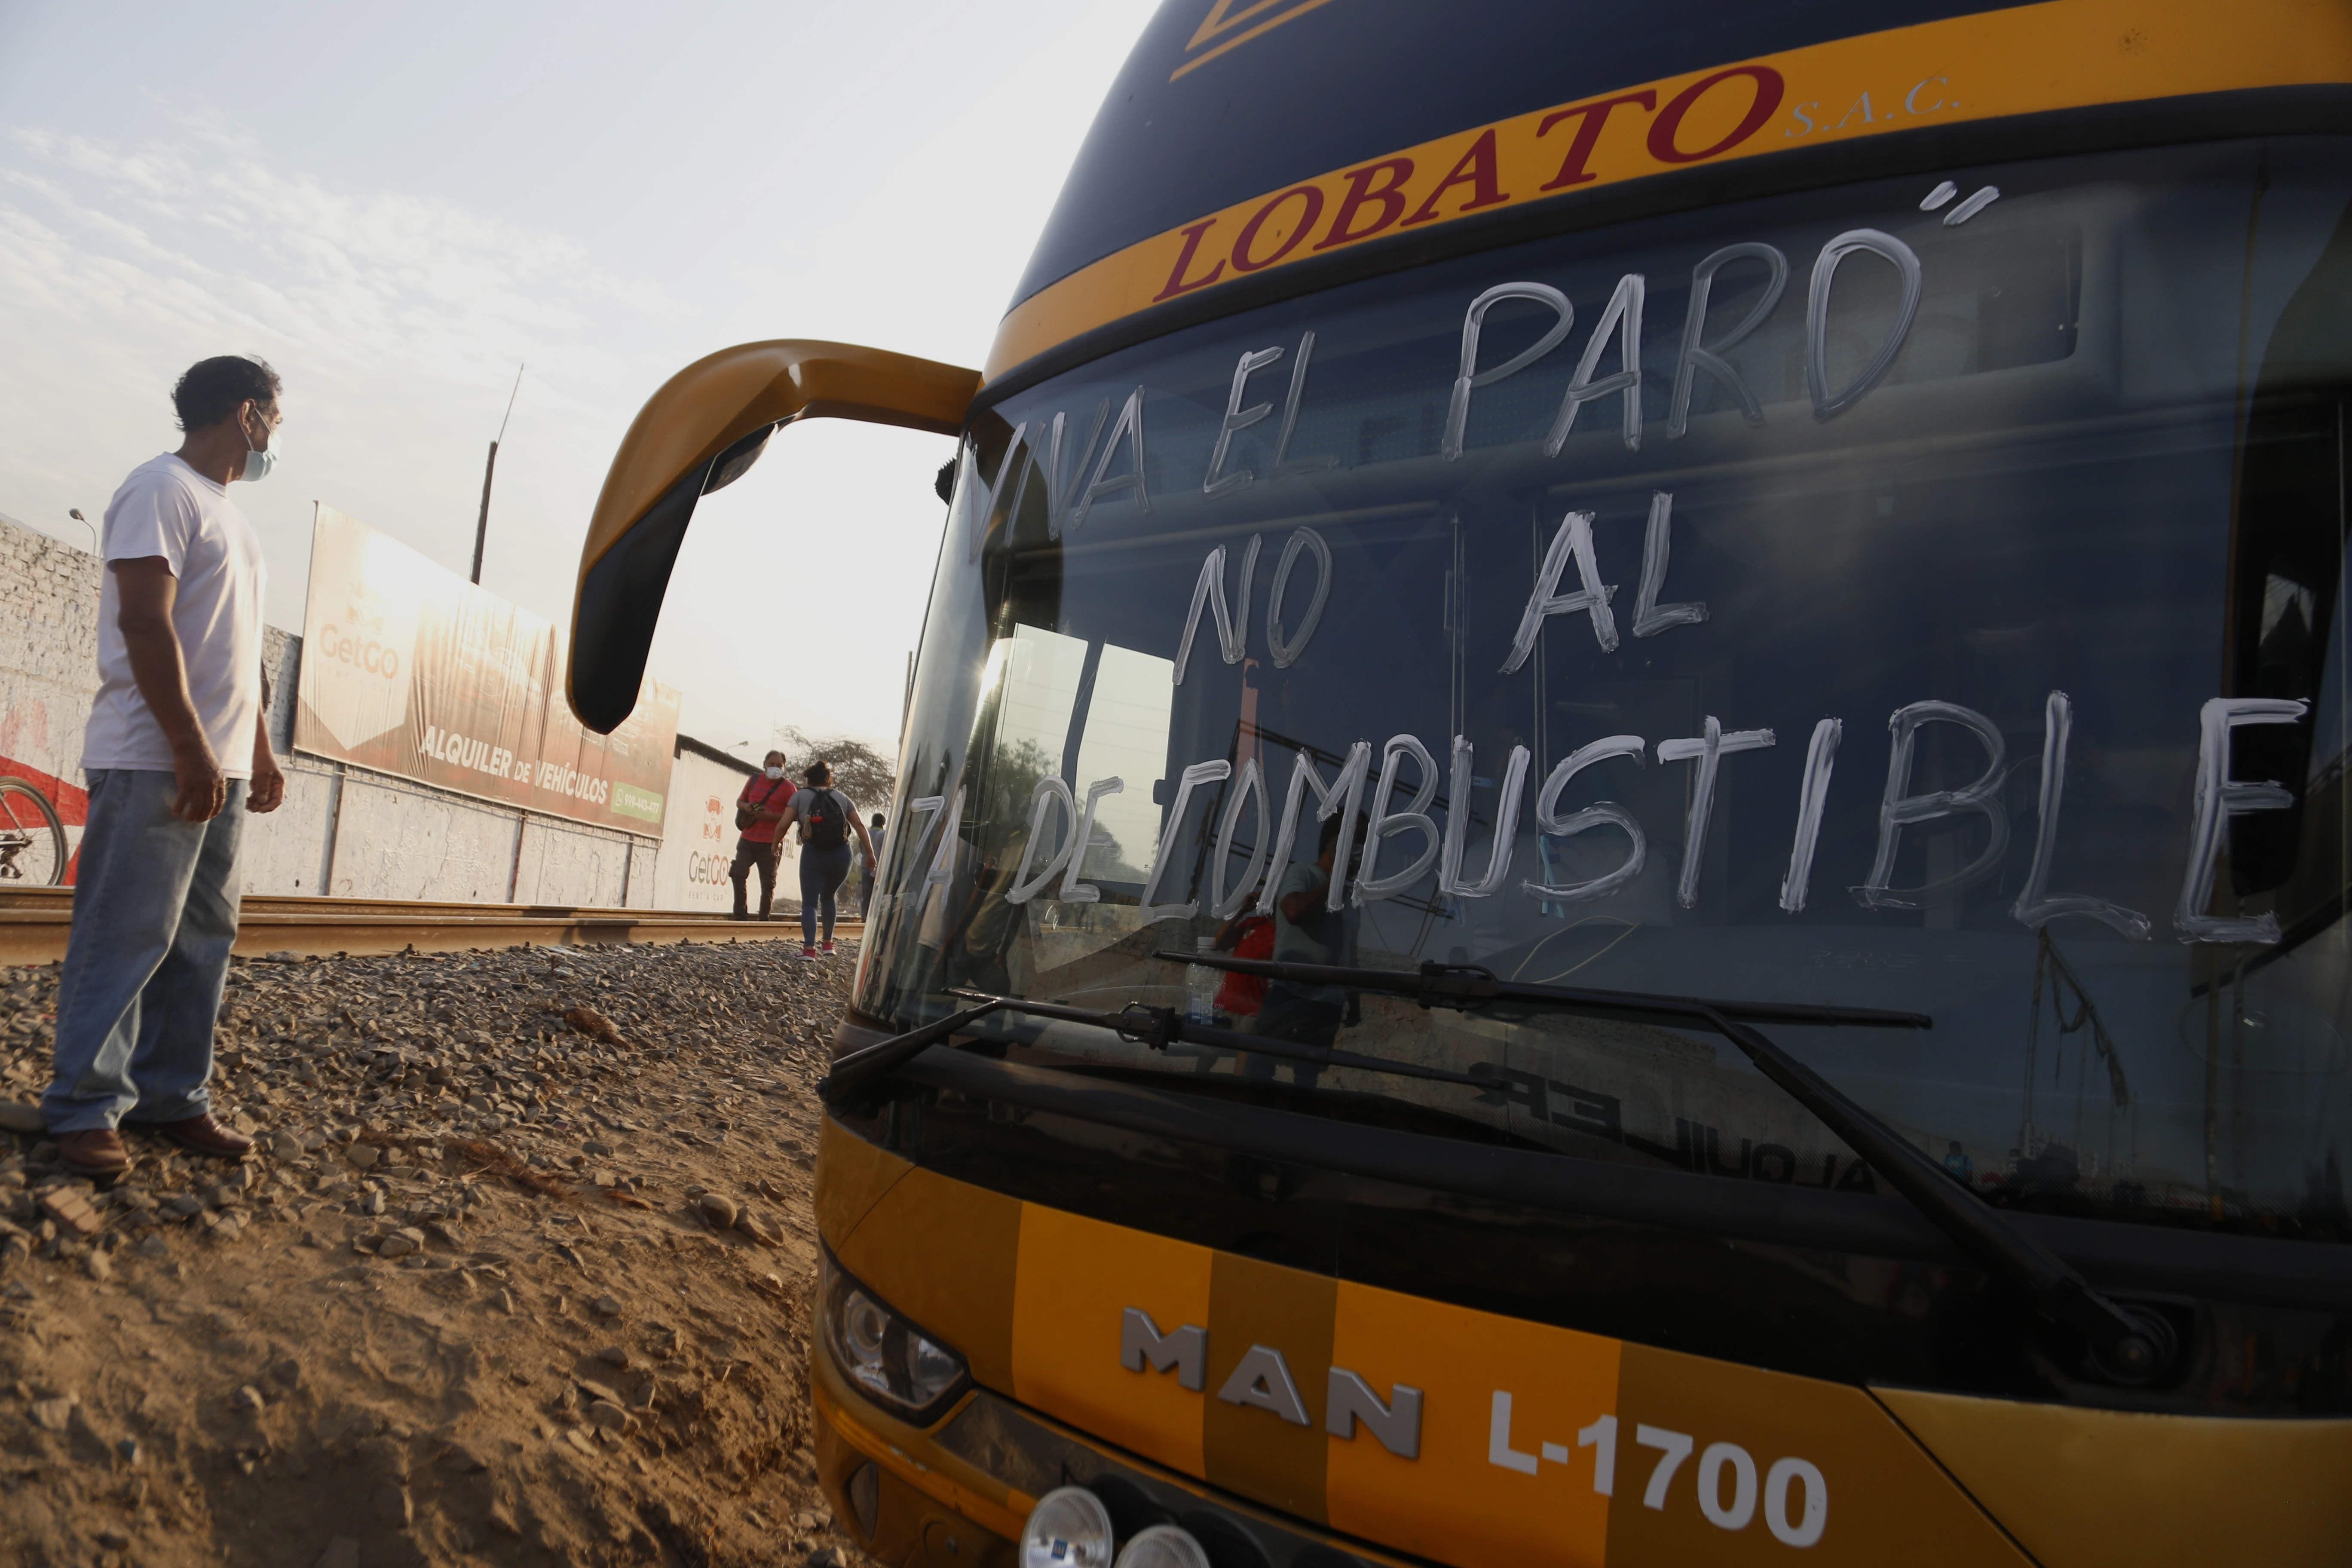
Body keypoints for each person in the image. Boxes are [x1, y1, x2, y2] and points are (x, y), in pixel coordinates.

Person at [43, 355, 288, 1178]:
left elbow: (240, 655)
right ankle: (83, 1106)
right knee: (125, 934)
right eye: (274, 422)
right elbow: (147, 625)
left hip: (211, 765)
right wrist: (188, 746)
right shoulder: (159, 490)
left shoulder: (236, 520)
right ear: (247, 414)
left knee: (201, 939)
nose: (274, 441)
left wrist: (256, 751)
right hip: (154, 758)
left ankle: (171, 1096)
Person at [1246, 814, 1360, 1088]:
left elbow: (1348, 951)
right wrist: (1334, 881)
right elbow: (1293, 910)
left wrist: (1353, 1001)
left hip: (1327, 1003)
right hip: (1289, 994)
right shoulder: (1304, 874)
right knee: (1259, 1071)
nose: (1362, 856)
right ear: (1336, 844)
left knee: (1307, 1080)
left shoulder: (1350, 896)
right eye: (1358, 845)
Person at [772, 761, 875, 957]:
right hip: (841, 854)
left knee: (810, 903)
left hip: (814, 853)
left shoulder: (800, 796)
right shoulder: (842, 798)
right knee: (828, 896)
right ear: (829, 780)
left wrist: (774, 844)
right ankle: (828, 945)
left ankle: (809, 950)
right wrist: (870, 853)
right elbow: (860, 826)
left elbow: (783, 825)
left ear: (809, 779)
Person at [729, 751, 796, 920]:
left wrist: (770, 816)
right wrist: (748, 807)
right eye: (772, 764)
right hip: (748, 839)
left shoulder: (789, 788)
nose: (775, 768)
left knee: (768, 883)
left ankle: (763, 920)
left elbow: (794, 815)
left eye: (779, 766)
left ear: (784, 767)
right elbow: (740, 802)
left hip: (771, 843)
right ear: (764, 764)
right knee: (738, 873)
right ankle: (740, 915)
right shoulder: (754, 781)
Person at [859, 812, 888, 917]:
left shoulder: (865, 833)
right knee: (878, 895)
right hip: (879, 868)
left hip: (865, 867)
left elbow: (862, 849)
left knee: (866, 895)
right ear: (883, 823)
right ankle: (876, 918)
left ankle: (864, 918)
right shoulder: (885, 835)